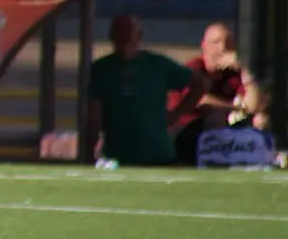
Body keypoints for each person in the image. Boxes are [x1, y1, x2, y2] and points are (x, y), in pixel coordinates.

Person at [88, 15, 206, 166]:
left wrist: (177, 114)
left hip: (158, 154)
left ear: (139, 36)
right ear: (111, 36)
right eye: (119, 32)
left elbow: (200, 84)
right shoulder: (101, 69)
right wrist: (90, 149)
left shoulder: (157, 65)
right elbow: (93, 113)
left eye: (128, 32)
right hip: (117, 156)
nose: (124, 37)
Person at [172, 22, 268, 164]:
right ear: (204, 46)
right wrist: (235, 108)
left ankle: (255, 164)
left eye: (228, 43)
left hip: (223, 133)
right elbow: (200, 100)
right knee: (215, 116)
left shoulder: (232, 74)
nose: (222, 48)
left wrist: (244, 70)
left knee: (261, 119)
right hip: (186, 132)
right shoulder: (194, 69)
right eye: (215, 43)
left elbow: (255, 105)